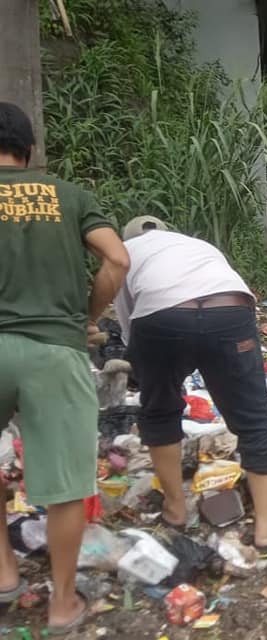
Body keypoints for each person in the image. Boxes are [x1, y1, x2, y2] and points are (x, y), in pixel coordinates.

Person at [0, 102, 130, 633]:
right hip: (55, 347)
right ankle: (62, 605)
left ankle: (5, 575)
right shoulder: (67, 195)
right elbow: (117, 258)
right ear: (29, 150)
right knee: (65, 485)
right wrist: (87, 317)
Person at [114, 217, 267, 550]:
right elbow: (222, 282)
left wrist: (143, 364)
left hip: (162, 319)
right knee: (254, 417)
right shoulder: (196, 245)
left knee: (159, 410)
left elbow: (129, 325)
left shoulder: (122, 252)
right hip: (229, 312)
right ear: (164, 231)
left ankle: (176, 509)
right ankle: (266, 526)